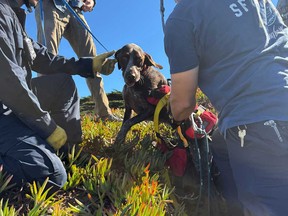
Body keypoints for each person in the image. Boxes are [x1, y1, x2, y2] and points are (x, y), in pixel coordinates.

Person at [165, 0, 288, 215]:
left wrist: (172, 111)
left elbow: (183, 104)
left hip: (257, 123)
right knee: (221, 146)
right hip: (276, 101)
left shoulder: (182, 17)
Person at [0, 0, 116, 191]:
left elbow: (43, 57)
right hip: (4, 108)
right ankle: (43, 156)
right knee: (51, 174)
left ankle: (69, 154)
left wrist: (87, 65)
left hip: (9, 102)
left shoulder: (12, 15)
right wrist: (48, 128)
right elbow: (8, 81)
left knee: (62, 83)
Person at [34, 0, 121, 122]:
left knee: (94, 62)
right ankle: (45, 118)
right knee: (47, 58)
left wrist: (92, 2)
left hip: (75, 9)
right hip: (49, 5)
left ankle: (104, 115)